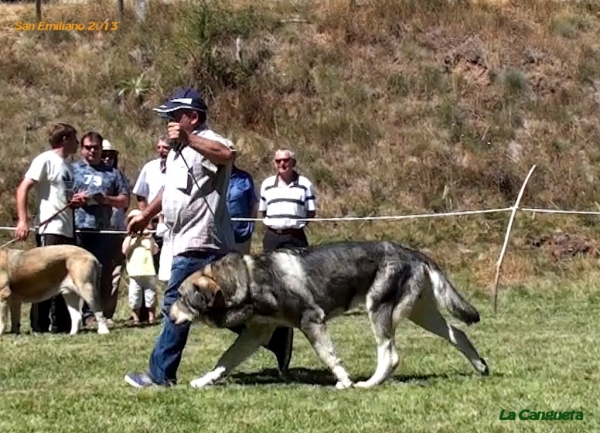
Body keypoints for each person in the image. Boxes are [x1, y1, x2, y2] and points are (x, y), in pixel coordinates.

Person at [124, 87, 238, 388]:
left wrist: (189, 139)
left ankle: (160, 375)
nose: (169, 121)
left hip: (201, 240)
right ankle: (275, 336)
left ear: (193, 117)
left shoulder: (209, 141)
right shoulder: (177, 150)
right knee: (220, 308)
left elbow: (227, 155)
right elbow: (169, 190)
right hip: (182, 239)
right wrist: (146, 216)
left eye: (175, 116)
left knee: (176, 304)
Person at [14, 122, 87, 333]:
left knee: (64, 279)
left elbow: (63, 197)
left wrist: (74, 202)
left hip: (67, 229)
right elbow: (23, 188)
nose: (77, 142)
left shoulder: (68, 167)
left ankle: (62, 325)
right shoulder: (45, 160)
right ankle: (39, 325)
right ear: (65, 139)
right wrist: (23, 220)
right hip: (50, 230)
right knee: (43, 279)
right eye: (75, 138)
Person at [257, 147, 318, 373]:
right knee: (271, 282)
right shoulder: (266, 185)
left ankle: (299, 319)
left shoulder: (305, 184)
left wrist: (294, 225)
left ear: (293, 162)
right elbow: (263, 212)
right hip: (273, 236)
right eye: (278, 161)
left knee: (298, 282)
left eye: (286, 161)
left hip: (295, 237)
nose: (282, 165)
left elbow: (310, 212)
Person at [71, 131, 130, 324]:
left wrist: (106, 199)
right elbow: (61, 196)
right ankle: (73, 315)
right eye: (88, 148)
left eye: (96, 148)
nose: (92, 151)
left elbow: (125, 200)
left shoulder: (112, 173)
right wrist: (74, 200)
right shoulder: (72, 170)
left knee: (101, 273)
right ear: (81, 149)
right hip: (77, 229)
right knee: (75, 273)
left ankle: (94, 314)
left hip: (103, 230)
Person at [132, 135, 171, 321]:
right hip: (152, 224)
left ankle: (169, 307)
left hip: (172, 224)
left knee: (170, 268)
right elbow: (140, 195)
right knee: (149, 269)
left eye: (165, 147)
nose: (161, 150)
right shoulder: (149, 167)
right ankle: (147, 312)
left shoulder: (179, 166)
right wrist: (145, 218)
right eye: (159, 147)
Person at [102, 139, 131, 318]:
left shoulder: (118, 176)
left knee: (114, 273)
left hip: (116, 231)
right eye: (104, 155)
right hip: (95, 231)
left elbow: (125, 201)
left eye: (110, 156)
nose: (107, 159)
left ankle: (107, 313)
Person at [122, 209, 159, 326]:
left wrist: (150, 238)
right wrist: (131, 238)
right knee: (134, 297)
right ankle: (136, 319)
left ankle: (151, 318)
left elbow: (155, 251)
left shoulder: (148, 238)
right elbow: (124, 251)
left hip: (149, 272)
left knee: (151, 296)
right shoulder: (129, 239)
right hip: (134, 273)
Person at [226, 151, 259, 254]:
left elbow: (254, 203)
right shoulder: (213, 177)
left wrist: (250, 225)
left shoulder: (245, 178)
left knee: (241, 268)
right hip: (219, 236)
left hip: (241, 234)